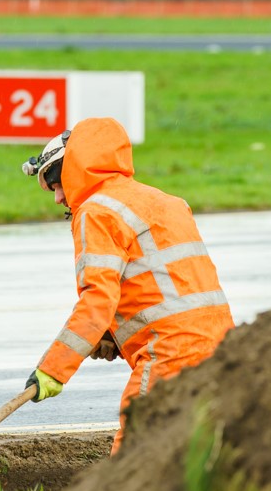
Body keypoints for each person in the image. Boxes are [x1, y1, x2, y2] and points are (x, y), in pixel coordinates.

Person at [19, 117, 234, 453]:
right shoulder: (164, 201)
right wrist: (115, 339)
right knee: (202, 459)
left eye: (55, 182)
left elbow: (97, 301)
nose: (58, 197)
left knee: (130, 468)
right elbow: (166, 292)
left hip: (169, 357)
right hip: (223, 352)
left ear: (74, 168)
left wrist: (52, 371)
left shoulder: (96, 211)